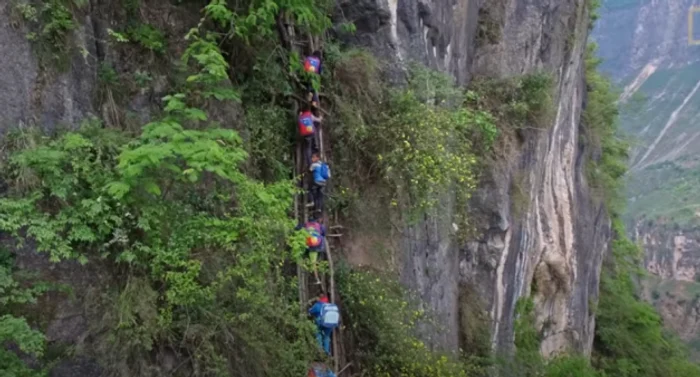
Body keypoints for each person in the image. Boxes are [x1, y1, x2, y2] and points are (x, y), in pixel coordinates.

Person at [295, 217, 326, 284]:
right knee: (313, 262)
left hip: (309, 246)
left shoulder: (306, 225)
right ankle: (317, 278)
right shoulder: (319, 225)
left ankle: (305, 263)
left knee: (310, 260)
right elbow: (324, 233)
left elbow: (297, 228)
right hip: (318, 245)